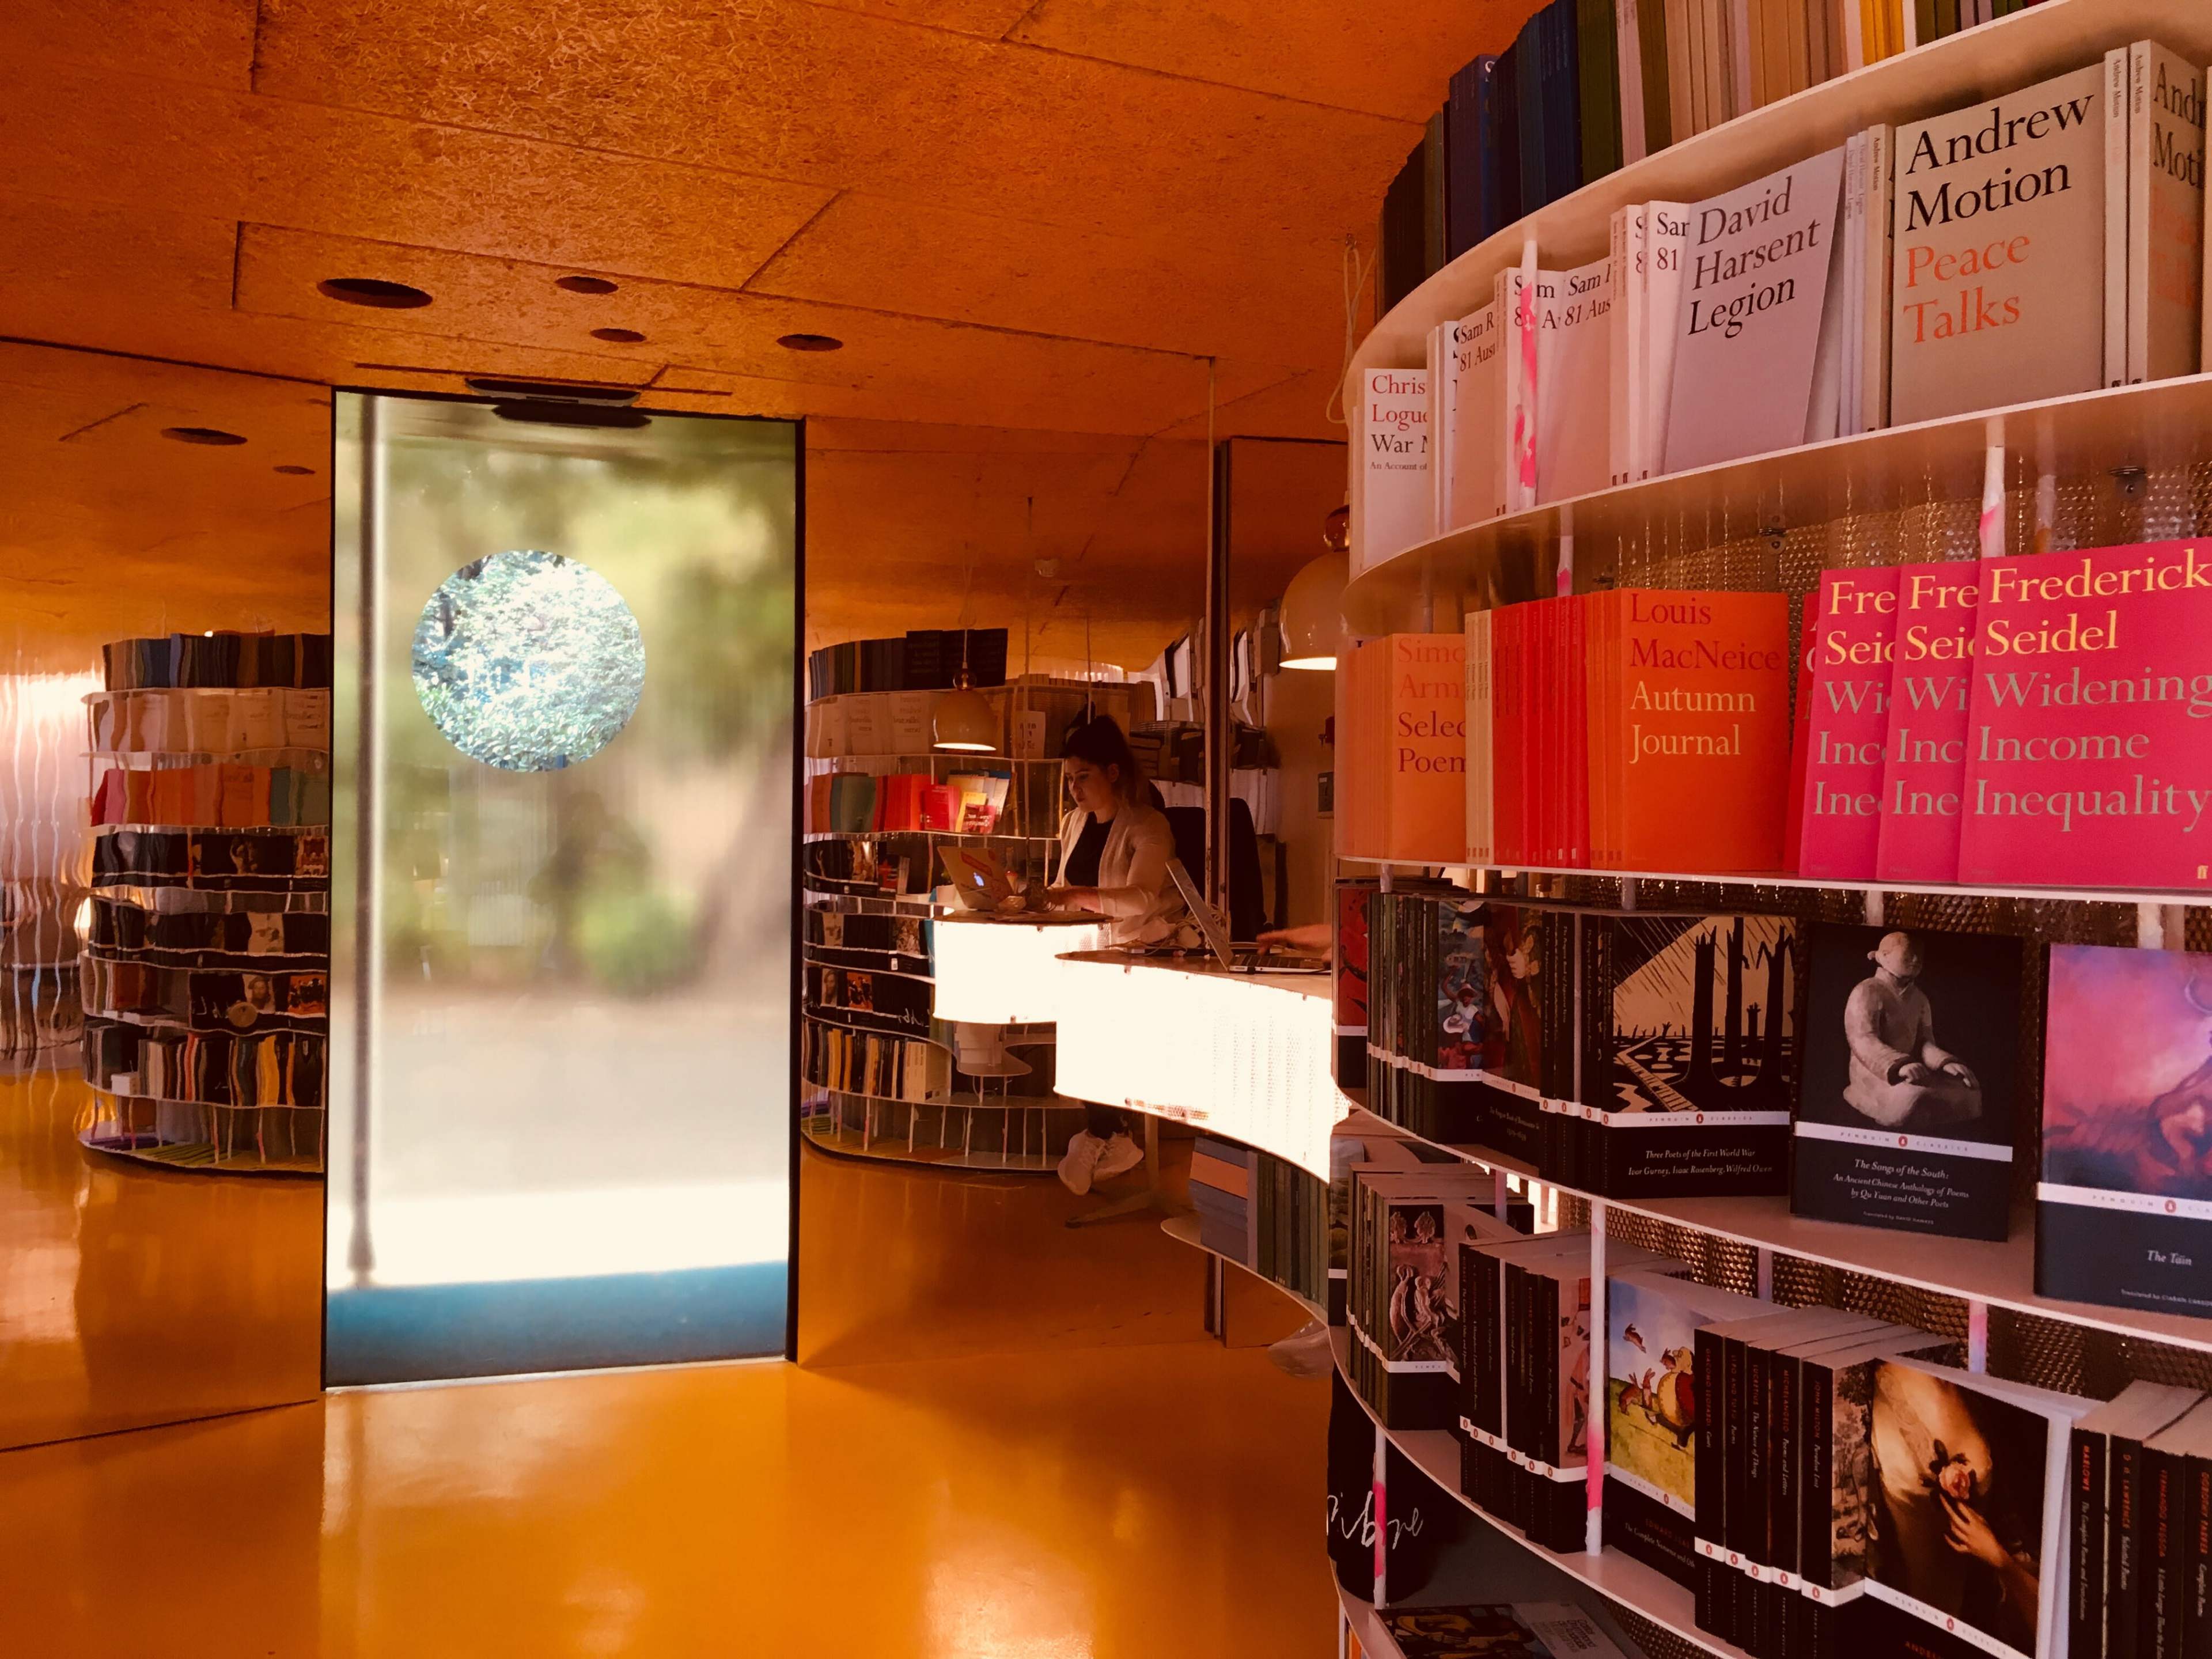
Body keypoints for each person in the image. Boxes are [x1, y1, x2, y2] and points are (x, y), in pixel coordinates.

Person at [1048, 714, 1185, 1195]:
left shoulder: (1148, 826)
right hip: (1090, 954)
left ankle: (1109, 1134)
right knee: (1074, 1014)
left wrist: (1076, 896)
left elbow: (1142, 897)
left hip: (1143, 953)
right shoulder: (1073, 823)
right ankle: (1108, 1133)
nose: (1074, 790)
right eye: (1068, 780)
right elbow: (1067, 890)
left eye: (1082, 777)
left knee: (1095, 1019)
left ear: (1112, 772)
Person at [1841, 931, 1980, 1130]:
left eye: (1919, 956)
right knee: (1914, 1097)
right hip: (1875, 1074)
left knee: (1968, 1093)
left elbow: (1925, 1043)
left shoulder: (1920, 999)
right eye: (1908, 954)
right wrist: (1899, 1065)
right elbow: (1863, 1040)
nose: (1916, 960)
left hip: (1911, 1070)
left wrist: (1944, 1063)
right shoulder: (1866, 991)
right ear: (1884, 956)